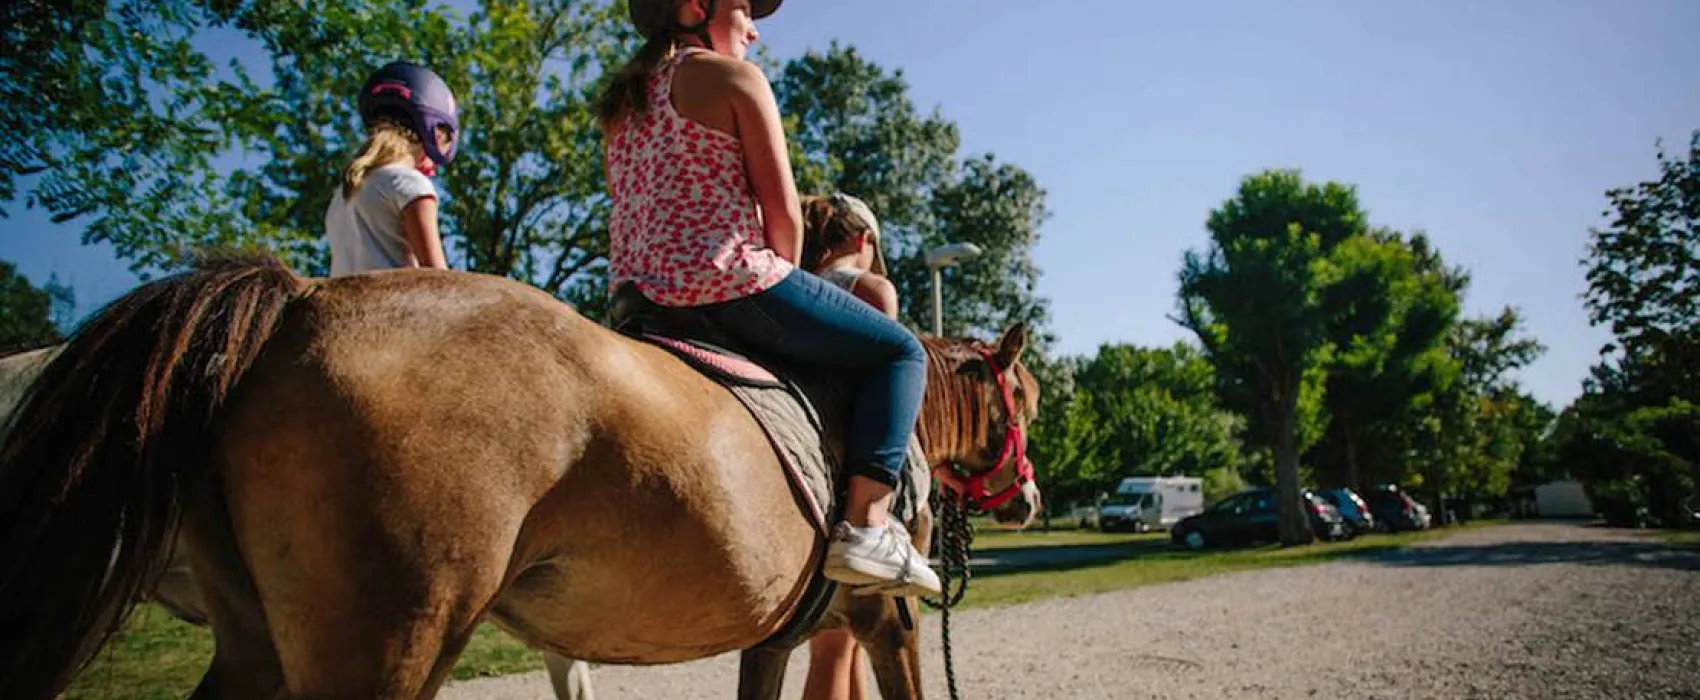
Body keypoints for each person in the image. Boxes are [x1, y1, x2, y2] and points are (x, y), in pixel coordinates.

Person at [598, 0, 941, 597]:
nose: (755, 28)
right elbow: (785, 221)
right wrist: (789, 270)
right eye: (743, 9)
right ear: (694, 7)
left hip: (634, 302)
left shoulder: (622, 108)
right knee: (901, 353)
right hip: (725, 284)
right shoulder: (735, 78)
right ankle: (867, 526)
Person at [798, 192, 895, 700]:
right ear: (864, 240)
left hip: (799, 464)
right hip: (844, 487)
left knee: (848, 645)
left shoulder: (792, 290)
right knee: (834, 650)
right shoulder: (870, 289)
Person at [327, 61, 459, 278]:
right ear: (431, 130)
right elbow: (439, 278)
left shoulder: (342, 195)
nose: (435, 169)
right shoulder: (409, 183)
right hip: (397, 307)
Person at [801, 194, 898, 319]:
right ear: (863, 239)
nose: (870, 270)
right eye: (873, 259)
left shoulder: (790, 283)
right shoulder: (874, 290)